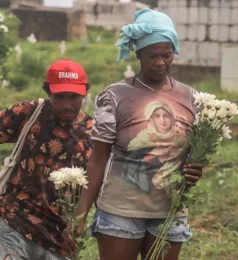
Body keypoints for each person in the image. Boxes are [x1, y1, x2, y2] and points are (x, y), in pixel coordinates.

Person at [77, 8, 203, 260]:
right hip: (120, 210)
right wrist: (80, 215)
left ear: (174, 52)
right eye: (152, 55)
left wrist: (196, 169)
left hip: (170, 212)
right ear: (138, 54)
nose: (160, 62)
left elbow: (195, 153)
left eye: (167, 55)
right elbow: (98, 158)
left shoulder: (192, 98)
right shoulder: (114, 96)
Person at [0, 59, 93, 260]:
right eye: (60, 97)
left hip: (59, 236)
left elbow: (95, 183)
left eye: (74, 97)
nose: (67, 105)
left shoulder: (92, 134)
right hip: (14, 221)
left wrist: (78, 222)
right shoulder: (31, 112)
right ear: (48, 91)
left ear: (84, 93)